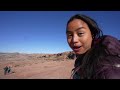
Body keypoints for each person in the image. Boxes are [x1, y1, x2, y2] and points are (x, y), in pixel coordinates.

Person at [66, 14, 120, 79]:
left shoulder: (106, 66)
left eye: (80, 33)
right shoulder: (82, 57)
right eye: (69, 35)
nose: (74, 40)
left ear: (92, 34)